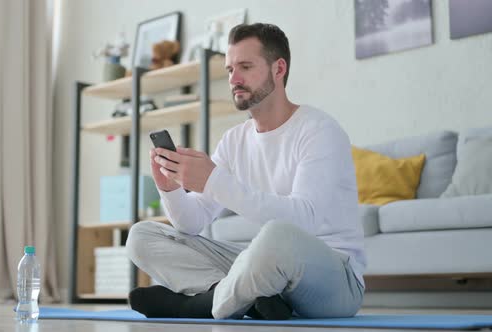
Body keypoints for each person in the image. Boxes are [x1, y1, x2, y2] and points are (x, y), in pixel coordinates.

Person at [126, 23, 366, 320]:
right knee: (141, 235)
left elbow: (304, 222)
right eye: (229, 70)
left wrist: (215, 180)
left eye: (245, 67)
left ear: (279, 69)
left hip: (335, 278)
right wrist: (170, 189)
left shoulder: (319, 130)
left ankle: (197, 306)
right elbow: (192, 223)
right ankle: (245, 299)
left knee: (277, 236)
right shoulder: (234, 141)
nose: (234, 79)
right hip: (271, 270)